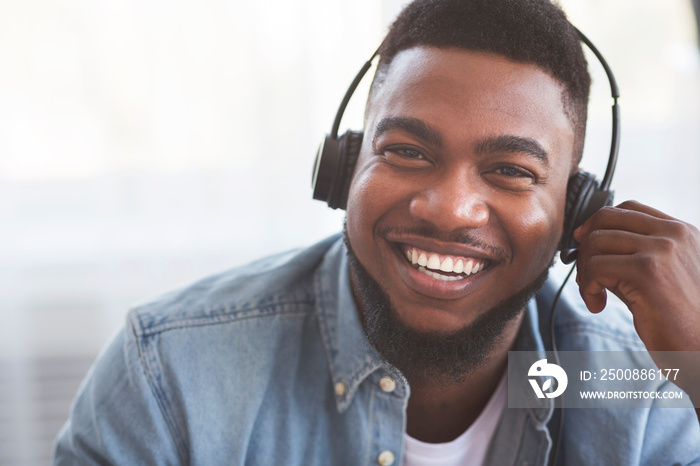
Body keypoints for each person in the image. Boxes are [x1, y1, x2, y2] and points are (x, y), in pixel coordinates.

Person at [53, 0, 700, 464]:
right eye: (408, 152)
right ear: (344, 167)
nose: (451, 210)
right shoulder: (171, 373)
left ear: (576, 211)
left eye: (509, 170)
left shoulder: (639, 386)